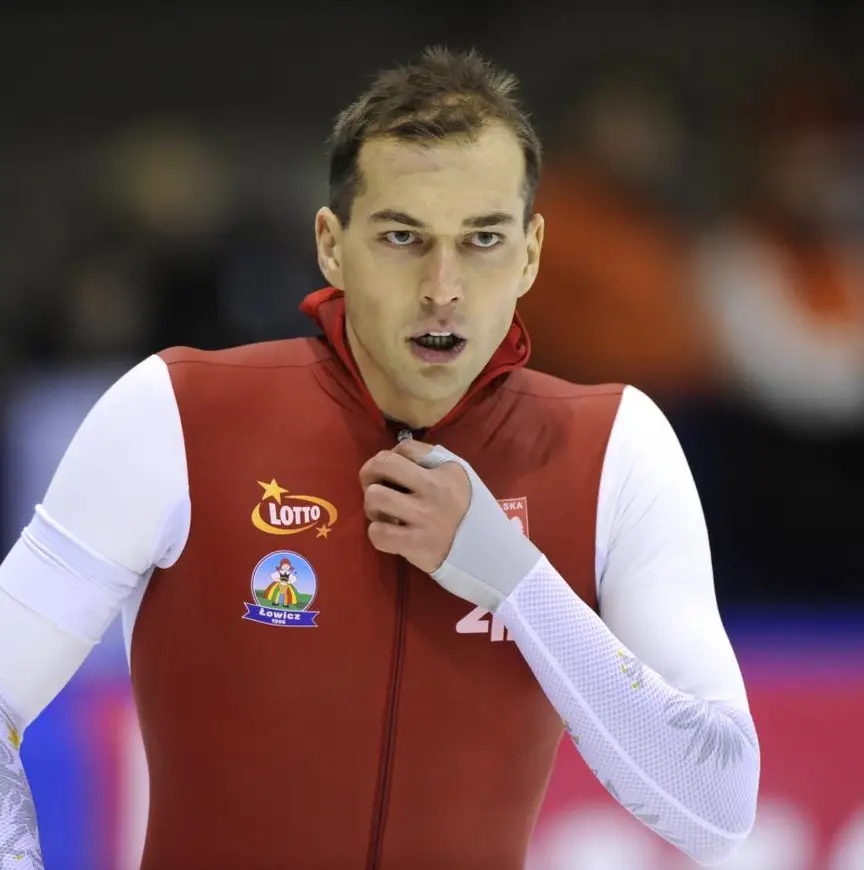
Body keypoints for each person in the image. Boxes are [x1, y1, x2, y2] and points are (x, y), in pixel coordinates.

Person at [0, 47, 759, 869]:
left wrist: (520, 585)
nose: (443, 288)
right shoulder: (176, 414)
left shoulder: (616, 448)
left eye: (483, 239)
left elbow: (717, 812)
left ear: (532, 252)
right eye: (403, 237)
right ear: (332, 245)